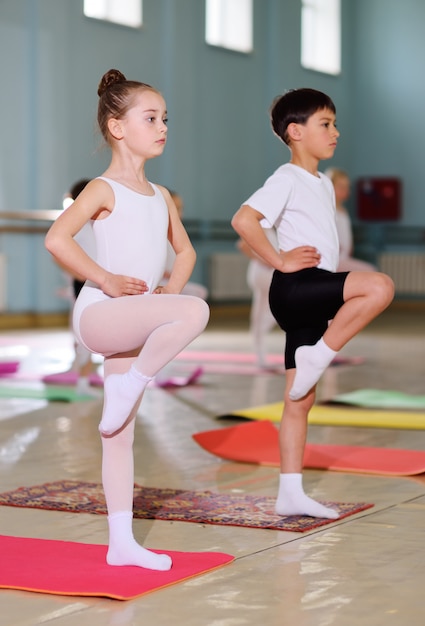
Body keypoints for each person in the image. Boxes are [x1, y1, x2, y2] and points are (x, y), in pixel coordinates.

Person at [45, 69, 210, 570]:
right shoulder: (102, 188)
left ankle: (121, 543)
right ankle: (134, 380)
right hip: (101, 314)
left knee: (118, 433)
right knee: (198, 311)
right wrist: (107, 279)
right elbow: (57, 239)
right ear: (117, 127)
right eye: (151, 118)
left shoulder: (159, 195)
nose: (163, 127)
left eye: (166, 119)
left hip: (132, 319)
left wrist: (169, 291)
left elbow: (185, 251)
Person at [231, 88, 394, 519]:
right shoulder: (286, 178)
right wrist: (278, 259)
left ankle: (290, 491)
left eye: (335, 123)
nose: (335, 132)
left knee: (298, 401)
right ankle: (319, 356)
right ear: (295, 132)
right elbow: (243, 221)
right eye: (326, 124)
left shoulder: (321, 182)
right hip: (296, 287)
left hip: (314, 291)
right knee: (379, 287)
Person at [236, 228, 278, 369]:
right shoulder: (260, 222)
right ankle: (260, 356)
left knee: (264, 313)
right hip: (263, 273)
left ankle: (260, 355)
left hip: (267, 272)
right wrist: (266, 261)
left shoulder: (269, 225)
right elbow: (243, 245)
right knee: (262, 314)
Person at [324, 167, 376, 272]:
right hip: (334, 260)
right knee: (370, 271)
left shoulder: (343, 211)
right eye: (341, 186)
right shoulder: (327, 210)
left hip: (344, 257)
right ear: (330, 186)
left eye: (347, 187)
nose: (345, 190)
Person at [160, 189, 208, 300]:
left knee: (199, 292)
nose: (180, 212)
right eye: (176, 208)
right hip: (160, 280)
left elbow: (187, 254)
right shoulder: (158, 233)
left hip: (169, 279)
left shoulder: (177, 234)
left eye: (180, 209)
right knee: (198, 293)